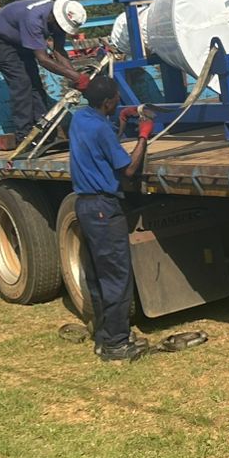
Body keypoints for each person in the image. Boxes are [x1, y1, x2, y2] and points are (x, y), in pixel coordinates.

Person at [67, 75, 152, 363]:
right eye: (116, 99)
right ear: (106, 102)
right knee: (116, 275)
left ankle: (105, 337)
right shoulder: (100, 128)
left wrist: (120, 122)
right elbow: (128, 169)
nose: (119, 101)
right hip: (104, 207)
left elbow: (102, 147)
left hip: (85, 206)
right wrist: (143, 136)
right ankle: (117, 344)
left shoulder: (81, 118)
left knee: (98, 275)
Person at [0, 0, 89, 146]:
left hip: (19, 37)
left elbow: (59, 50)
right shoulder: (34, 20)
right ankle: (24, 135)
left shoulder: (57, 20)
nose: (61, 30)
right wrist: (75, 76)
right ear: (54, 19)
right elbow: (43, 59)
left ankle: (43, 129)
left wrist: (76, 77)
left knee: (35, 82)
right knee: (21, 82)